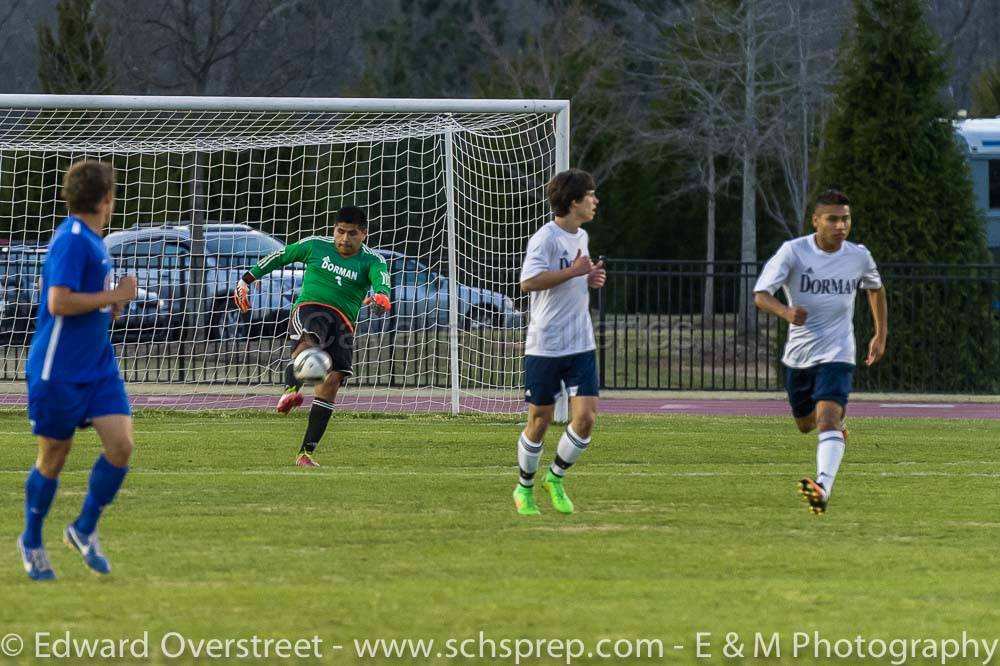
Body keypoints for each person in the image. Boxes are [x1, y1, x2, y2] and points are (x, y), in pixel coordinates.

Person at [19, 160, 138, 580]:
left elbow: (86, 302)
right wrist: (114, 293)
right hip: (60, 369)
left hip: (98, 365)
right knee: (54, 456)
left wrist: (112, 304)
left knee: (121, 446)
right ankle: (31, 539)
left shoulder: (92, 240)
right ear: (107, 198)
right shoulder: (71, 240)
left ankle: (83, 529)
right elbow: (58, 303)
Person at [753, 189, 888, 514]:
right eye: (833, 219)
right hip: (799, 355)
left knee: (828, 418)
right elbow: (761, 294)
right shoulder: (793, 252)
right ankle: (836, 430)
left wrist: (880, 333)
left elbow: (875, 288)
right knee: (805, 424)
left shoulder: (858, 255)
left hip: (839, 351)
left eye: (846, 218)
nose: (841, 225)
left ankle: (822, 487)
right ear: (816, 221)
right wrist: (786, 313)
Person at [233, 206, 390, 467]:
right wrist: (246, 280)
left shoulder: (373, 260)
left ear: (364, 234)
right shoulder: (315, 245)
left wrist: (381, 298)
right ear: (334, 229)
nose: (344, 239)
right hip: (310, 308)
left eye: (352, 234)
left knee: (332, 381)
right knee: (310, 342)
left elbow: (381, 284)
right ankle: (290, 391)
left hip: (343, 324)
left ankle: (305, 454)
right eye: (340, 232)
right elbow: (281, 255)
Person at [513, 168, 606, 516]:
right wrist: (574, 272)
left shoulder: (580, 236)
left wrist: (591, 278)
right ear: (573, 201)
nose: (595, 201)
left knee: (585, 419)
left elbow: (576, 276)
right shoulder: (545, 238)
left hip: (580, 342)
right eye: (590, 195)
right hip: (545, 344)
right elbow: (528, 283)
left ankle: (555, 477)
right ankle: (524, 488)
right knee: (539, 421)